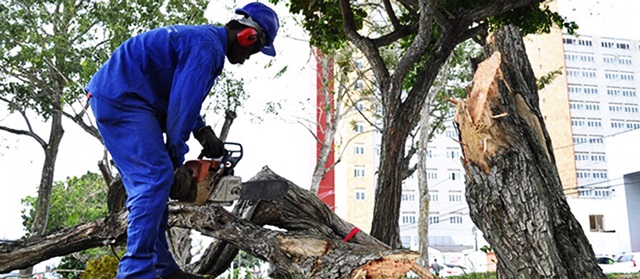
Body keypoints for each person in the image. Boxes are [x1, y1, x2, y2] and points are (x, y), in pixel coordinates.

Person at [85, 3, 279, 278]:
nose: (249, 57)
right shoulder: (207, 48)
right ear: (248, 36)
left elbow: (180, 95)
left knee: (154, 188)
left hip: (127, 98)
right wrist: (175, 159)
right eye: (254, 50)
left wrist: (203, 131)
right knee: (156, 179)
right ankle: (135, 272)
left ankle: (163, 268)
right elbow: (180, 109)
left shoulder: (205, 42)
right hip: (123, 100)